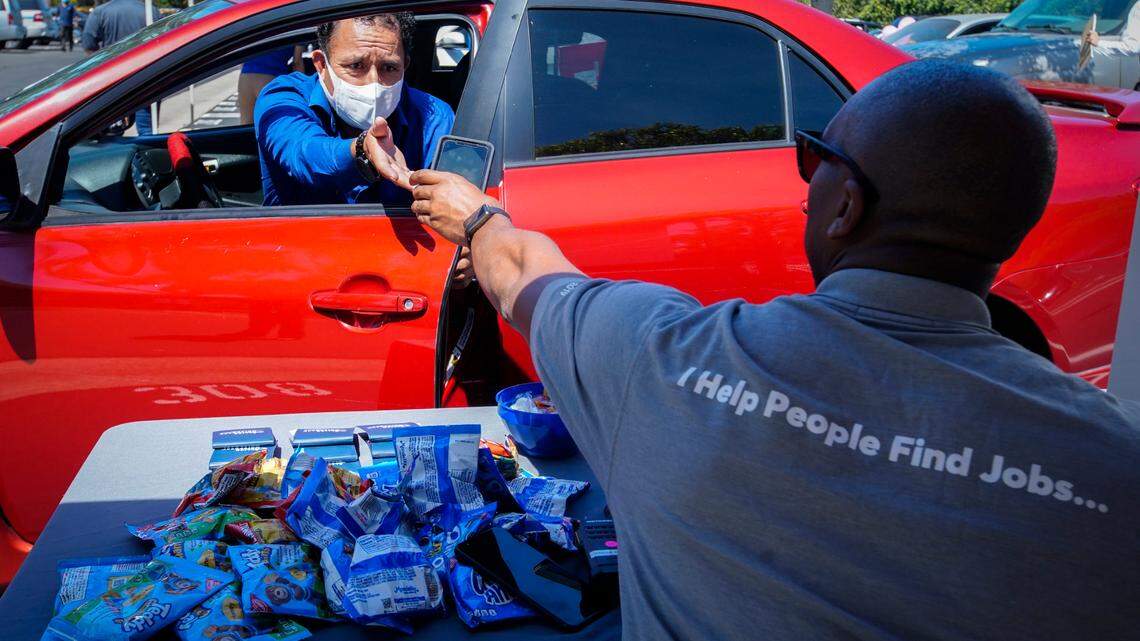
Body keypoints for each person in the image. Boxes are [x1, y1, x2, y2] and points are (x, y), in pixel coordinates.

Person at [406, 59, 1140, 640]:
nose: (806, 180)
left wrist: (479, 218)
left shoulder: (665, 359)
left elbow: (525, 274)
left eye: (813, 155)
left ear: (848, 203)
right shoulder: (1115, 457)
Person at [254, 12, 454, 208]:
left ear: (405, 66)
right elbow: (302, 153)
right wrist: (360, 149)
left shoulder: (433, 117)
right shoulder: (284, 99)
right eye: (356, 66)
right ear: (322, 65)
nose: (374, 82)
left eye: (389, 68)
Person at [82, 0, 158, 133]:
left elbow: (89, 45)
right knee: (146, 127)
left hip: (113, 76)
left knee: (114, 128)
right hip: (146, 74)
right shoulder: (150, 11)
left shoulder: (101, 11)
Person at [238, 45, 306, 125]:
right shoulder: (293, 32)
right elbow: (297, 62)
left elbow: (242, 58)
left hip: (246, 76)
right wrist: (304, 92)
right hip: (271, 79)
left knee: (246, 126)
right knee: (275, 126)